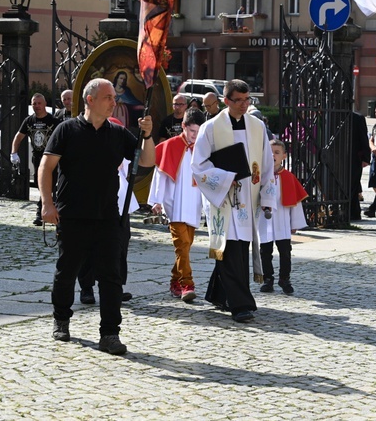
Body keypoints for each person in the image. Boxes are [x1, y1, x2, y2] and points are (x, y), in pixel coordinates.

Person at [38, 78, 155, 355]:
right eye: (108, 97)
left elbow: (147, 161)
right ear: (90, 100)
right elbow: (46, 166)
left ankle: (110, 333)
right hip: (73, 214)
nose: (114, 102)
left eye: (114, 97)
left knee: (111, 277)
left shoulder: (117, 133)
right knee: (67, 271)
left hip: (107, 217)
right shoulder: (67, 130)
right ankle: (62, 319)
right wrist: (47, 203)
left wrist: (148, 136)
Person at [192, 79, 275, 323]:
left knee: (239, 248)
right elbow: (198, 165)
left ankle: (218, 293)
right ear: (226, 100)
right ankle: (241, 304)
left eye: (247, 99)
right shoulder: (210, 128)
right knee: (229, 249)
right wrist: (227, 178)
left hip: (249, 198)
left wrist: (268, 196)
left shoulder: (257, 126)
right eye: (238, 100)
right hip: (223, 198)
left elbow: (267, 165)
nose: (244, 104)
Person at [77, 117, 138, 306]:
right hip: (93, 203)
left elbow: (136, 158)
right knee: (88, 248)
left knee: (120, 247)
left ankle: (115, 287)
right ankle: (87, 287)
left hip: (119, 205)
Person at [148, 107, 206, 302]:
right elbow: (160, 173)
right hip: (174, 204)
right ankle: (187, 284)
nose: (194, 136)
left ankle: (174, 280)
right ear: (183, 126)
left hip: (194, 203)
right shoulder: (170, 145)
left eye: (198, 132)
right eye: (191, 131)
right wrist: (157, 200)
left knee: (186, 246)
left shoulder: (203, 148)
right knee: (182, 245)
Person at [258, 139, 308, 294]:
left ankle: (284, 279)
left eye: (277, 152)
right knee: (265, 251)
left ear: (284, 156)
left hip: (283, 219)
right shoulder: (259, 176)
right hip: (264, 220)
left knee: (285, 251)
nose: (273, 155)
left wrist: (295, 223)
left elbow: (295, 202)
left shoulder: (288, 177)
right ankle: (268, 279)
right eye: (270, 152)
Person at [11, 93, 61, 226]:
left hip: (51, 158)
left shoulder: (54, 121)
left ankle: (42, 212)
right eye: (34, 103)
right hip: (37, 157)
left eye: (39, 103)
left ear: (45, 104)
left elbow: (63, 139)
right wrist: (14, 152)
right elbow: (18, 136)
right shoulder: (29, 121)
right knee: (41, 186)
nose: (37, 106)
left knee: (51, 185)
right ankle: (46, 211)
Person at [349, 111, 370, 220]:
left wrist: (366, 157)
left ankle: (354, 213)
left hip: (354, 157)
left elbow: (363, 137)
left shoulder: (358, 118)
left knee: (353, 184)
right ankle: (350, 211)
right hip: (338, 157)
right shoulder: (333, 115)